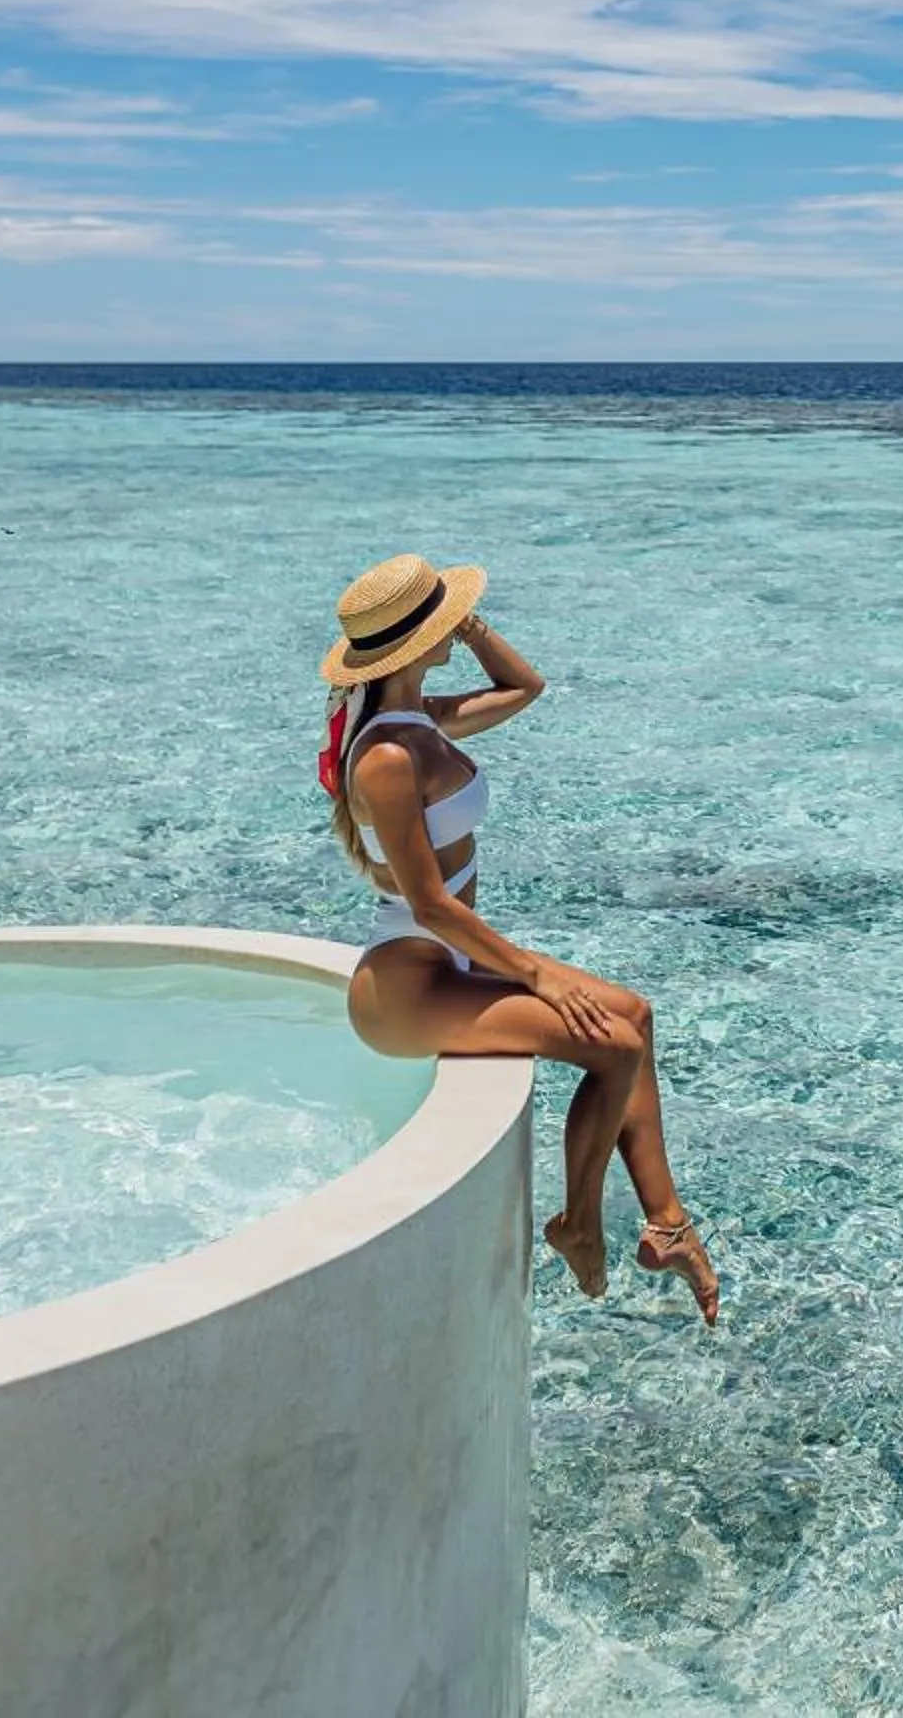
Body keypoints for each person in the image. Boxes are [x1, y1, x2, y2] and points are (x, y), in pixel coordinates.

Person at [318, 552, 718, 1319]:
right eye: (442, 619)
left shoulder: (417, 721)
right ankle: (579, 1225)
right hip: (406, 988)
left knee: (633, 1013)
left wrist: (470, 627)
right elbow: (429, 905)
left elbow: (523, 688)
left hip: (446, 966)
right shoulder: (388, 759)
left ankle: (667, 1226)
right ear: (412, 642)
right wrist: (538, 974)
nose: (453, 626)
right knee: (612, 1043)